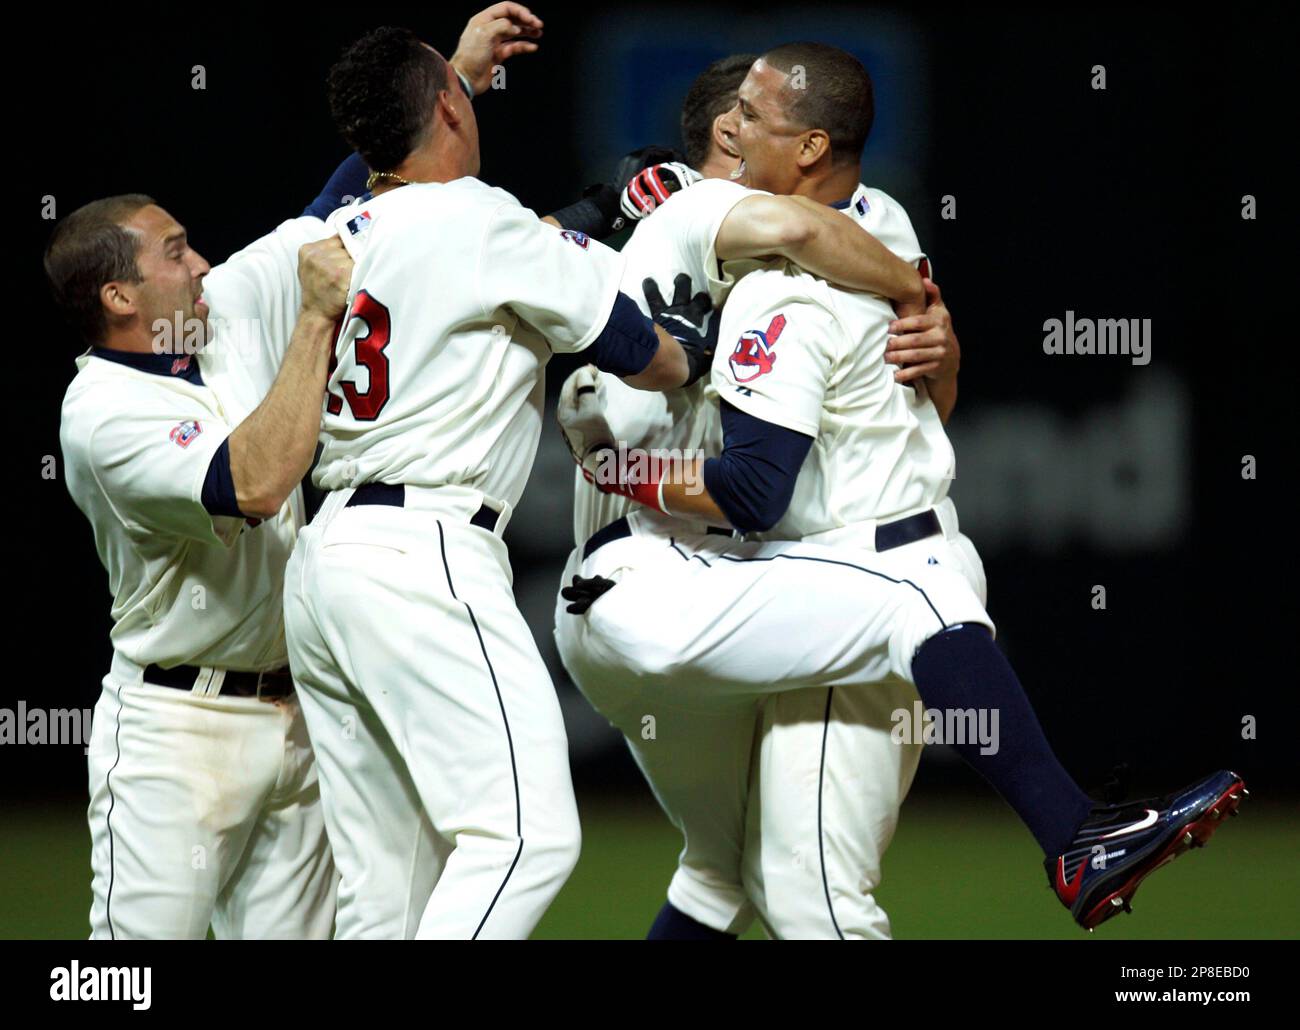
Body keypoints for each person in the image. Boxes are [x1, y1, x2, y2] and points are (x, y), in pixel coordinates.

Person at [558, 42, 1245, 936]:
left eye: (753, 124)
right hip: (851, 564)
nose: (734, 138)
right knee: (751, 874)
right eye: (729, 129)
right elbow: (838, 429)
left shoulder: (853, 241)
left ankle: (1077, 836)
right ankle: (1075, 833)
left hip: (868, 556)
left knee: (807, 894)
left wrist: (941, 342)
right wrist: (919, 301)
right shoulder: (819, 232)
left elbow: (896, 416)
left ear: (807, 147)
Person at [49, 191, 352, 939]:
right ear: (120, 296)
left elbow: (338, 200)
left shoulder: (212, 317)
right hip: (179, 729)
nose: (202, 265)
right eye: (176, 252)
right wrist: (315, 320)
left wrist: (457, 79)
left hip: (295, 714)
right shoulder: (103, 412)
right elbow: (255, 484)